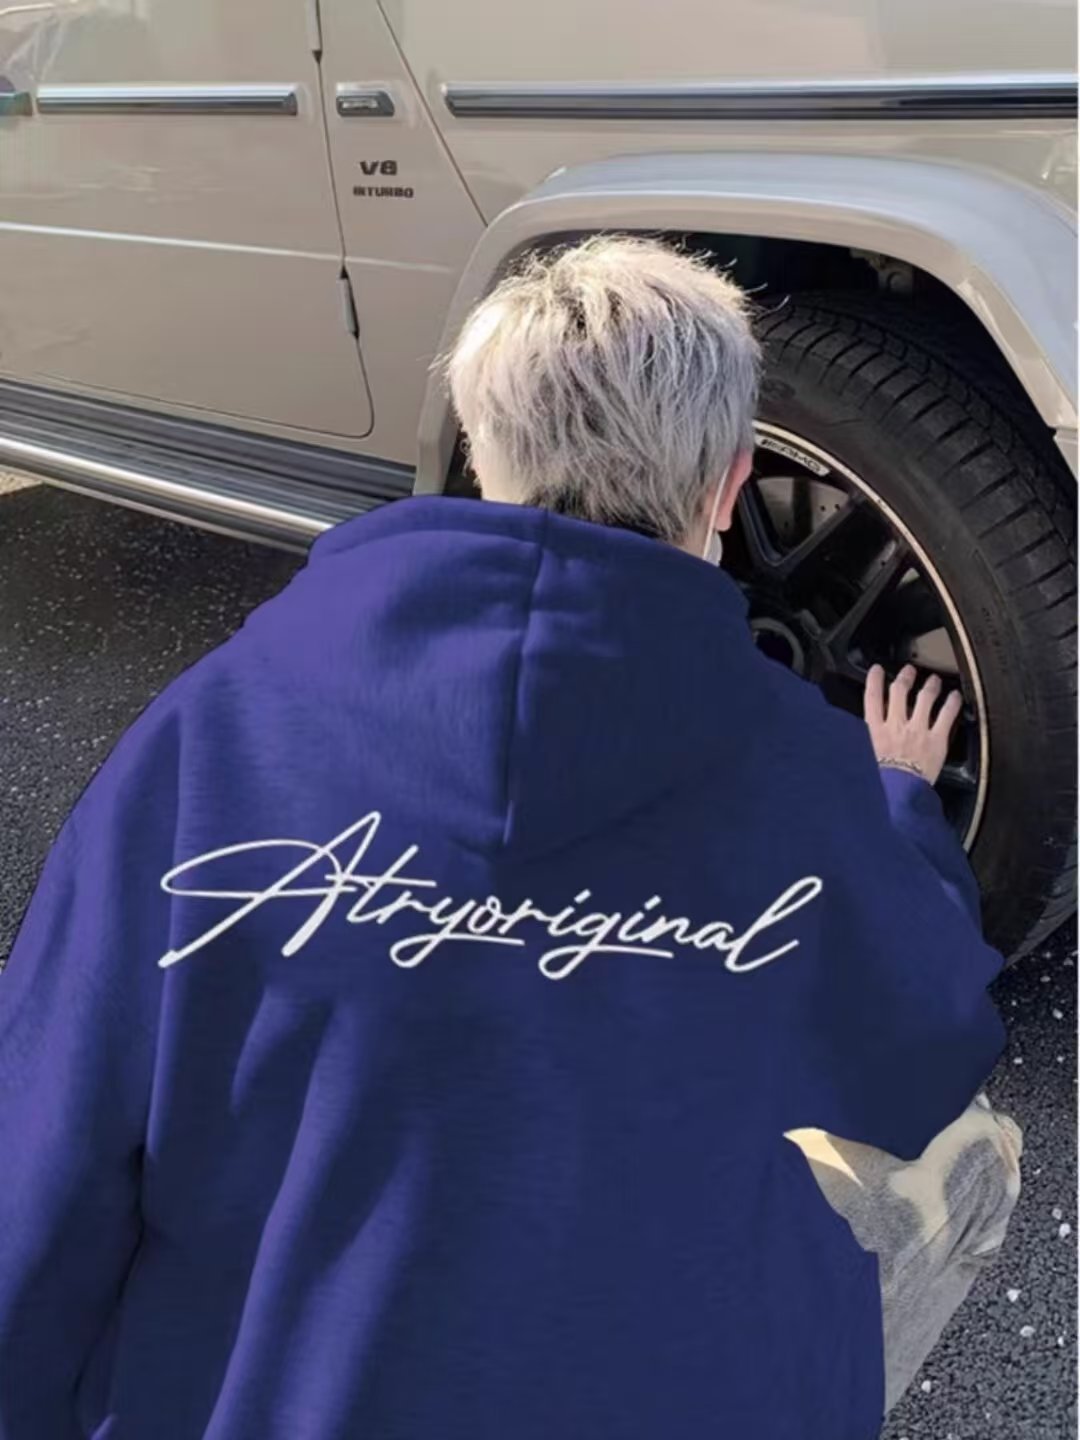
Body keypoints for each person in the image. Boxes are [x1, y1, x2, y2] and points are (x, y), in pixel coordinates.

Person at [0, 236, 1020, 1440]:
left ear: (482, 451)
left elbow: (51, 1141)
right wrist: (899, 801)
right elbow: (918, 1055)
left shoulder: (217, 738)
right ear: (730, 483)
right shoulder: (813, 785)